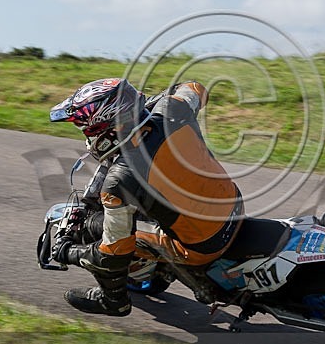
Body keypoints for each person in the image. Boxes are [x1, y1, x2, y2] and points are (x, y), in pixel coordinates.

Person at [49, 78, 244, 316]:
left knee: (89, 227)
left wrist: (68, 252)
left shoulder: (120, 182)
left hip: (201, 244)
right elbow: (195, 87)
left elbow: (113, 252)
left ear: (110, 128)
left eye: (88, 130)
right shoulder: (173, 110)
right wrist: (152, 104)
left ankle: (113, 300)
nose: (87, 137)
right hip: (232, 204)